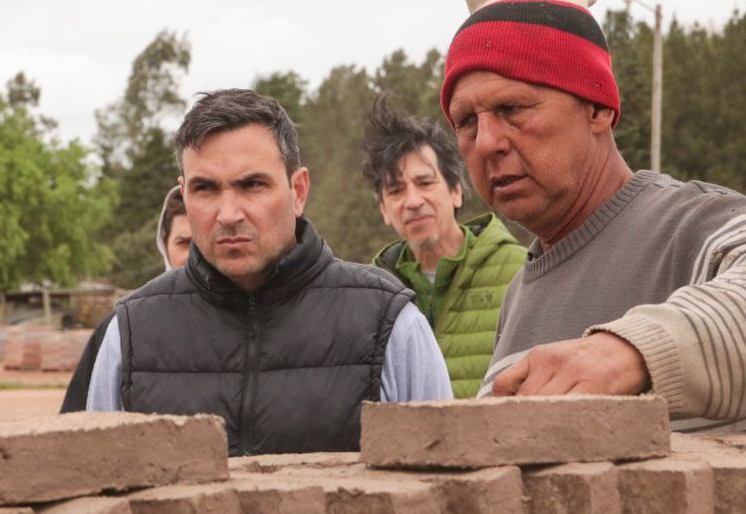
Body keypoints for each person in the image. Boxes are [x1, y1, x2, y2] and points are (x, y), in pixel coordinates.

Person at [441, 0, 746, 428]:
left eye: (513, 108)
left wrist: (630, 353)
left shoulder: (692, 226)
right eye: (466, 122)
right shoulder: (518, 292)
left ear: (597, 109)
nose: (487, 142)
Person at [86, 89, 452, 455]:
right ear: (184, 193)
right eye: (205, 189)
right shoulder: (130, 334)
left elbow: (442, 484)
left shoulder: (388, 324)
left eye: (252, 185)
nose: (228, 214)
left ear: (298, 190)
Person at [364, 95, 526, 398]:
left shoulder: (521, 271)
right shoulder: (369, 295)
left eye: (425, 183)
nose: (413, 202)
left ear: (456, 192)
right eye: (396, 190)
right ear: (384, 209)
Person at [60, 185, 193, 412]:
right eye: (184, 243)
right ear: (164, 245)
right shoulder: (122, 327)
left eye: (200, 243)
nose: (193, 256)